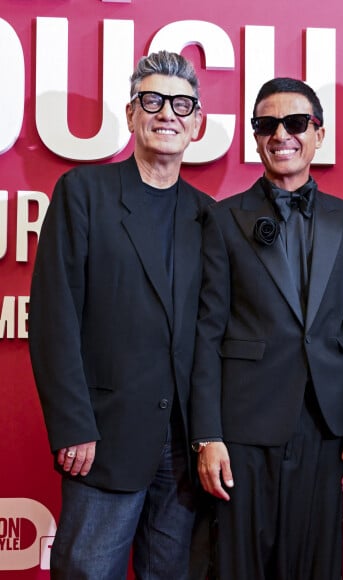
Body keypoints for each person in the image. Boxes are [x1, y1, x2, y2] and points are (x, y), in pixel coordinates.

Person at [28, 50, 213, 579]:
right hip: (102, 440)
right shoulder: (84, 194)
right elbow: (53, 317)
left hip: (183, 449)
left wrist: (209, 433)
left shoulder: (208, 216)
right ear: (131, 114)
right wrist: (72, 425)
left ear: (197, 124)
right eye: (152, 100)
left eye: (182, 104)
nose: (167, 114)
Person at [191, 77, 343, 579]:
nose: (281, 134)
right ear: (254, 136)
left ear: (319, 134)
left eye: (295, 123)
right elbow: (206, 332)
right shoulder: (222, 220)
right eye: (267, 125)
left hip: (324, 429)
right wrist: (207, 435)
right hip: (242, 431)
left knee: (315, 568)